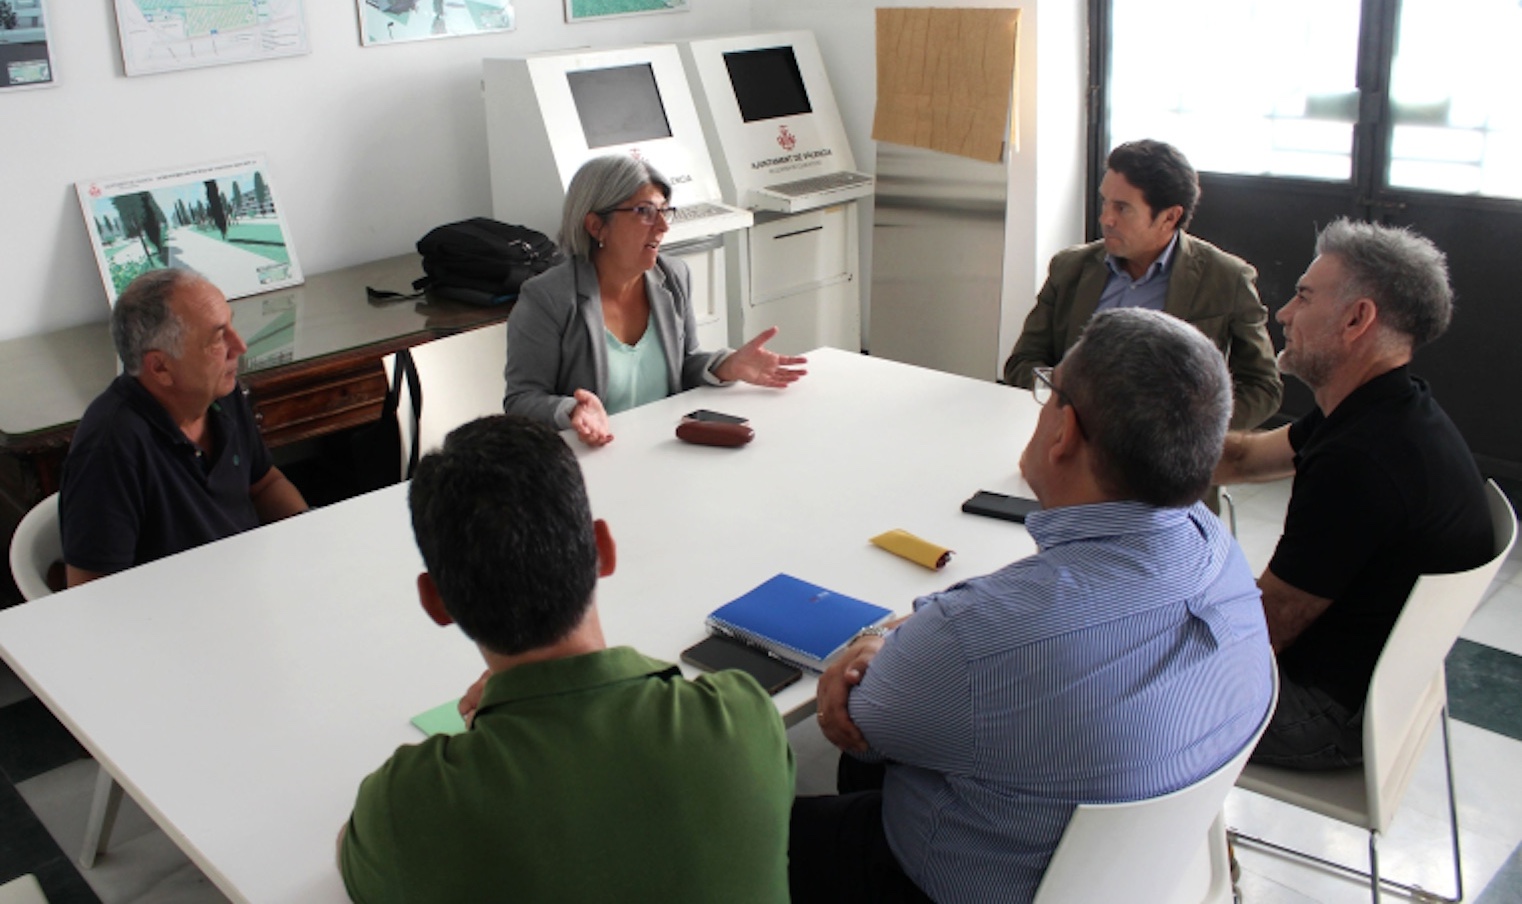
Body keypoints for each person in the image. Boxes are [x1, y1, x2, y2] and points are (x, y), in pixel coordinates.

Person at [792, 308, 1275, 904]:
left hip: (950, 884)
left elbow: (856, 722)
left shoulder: (980, 640)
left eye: (1048, 394)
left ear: (1064, 432)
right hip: (1142, 875)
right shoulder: (1219, 552)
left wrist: (873, 644)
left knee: (744, 823)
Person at [338, 415, 795, 903]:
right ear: (603, 549)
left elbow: (353, 854)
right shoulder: (743, 717)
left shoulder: (408, 808)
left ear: (437, 604)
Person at [1213, 218, 1492, 769]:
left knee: (1105, 685)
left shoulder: (1362, 460)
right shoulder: (1383, 408)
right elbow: (1244, 458)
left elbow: (1266, 628)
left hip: (1326, 713)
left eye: (1303, 296)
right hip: (1372, 690)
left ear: (1356, 318)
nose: (1285, 314)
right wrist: (1120, 451)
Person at [503, 154, 807, 446]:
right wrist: (572, 411)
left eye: (664, 211)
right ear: (596, 226)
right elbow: (522, 399)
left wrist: (725, 365)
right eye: (644, 212)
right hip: (591, 457)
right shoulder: (547, 298)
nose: (663, 226)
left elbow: (686, 363)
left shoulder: (674, 277)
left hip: (664, 447)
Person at [1002, 139, 1282, 432]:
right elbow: (1022, 362)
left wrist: (1194, 432)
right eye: (1105, 202)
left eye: (1122, 208)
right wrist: (1062, 398)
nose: (1106, 218)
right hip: (1073, 440)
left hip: (1168, 452)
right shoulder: (1069, 268)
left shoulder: (1226, 279)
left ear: (1170, 217)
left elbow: (1263, 387)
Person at [59, 269, 307, 586]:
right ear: (160, 367)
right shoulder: (110, 448)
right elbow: (91, 593)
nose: (240, 345)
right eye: (218, 338)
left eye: (232, 325)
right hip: (179, 616)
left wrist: (305, 535)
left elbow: (265, 484)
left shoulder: (222, 392)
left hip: (247, 582)